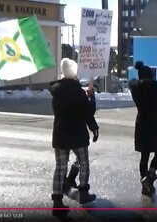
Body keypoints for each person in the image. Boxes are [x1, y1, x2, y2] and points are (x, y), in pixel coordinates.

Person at [49, 58, 99, 217]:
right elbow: (88, 112)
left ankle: (57, 201)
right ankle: (83, 192)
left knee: (60, 167)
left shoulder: (56, 90)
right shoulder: (77, 91)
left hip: (60, 133)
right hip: (77, 133)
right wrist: (91, 97)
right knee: (84, 162)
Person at [129, 61, 157, 196]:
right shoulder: (155, 88)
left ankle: (144, 183)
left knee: (144, 155)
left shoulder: (134, 88)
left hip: (141, 123)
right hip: (154, 124)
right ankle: (150, 176)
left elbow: (133, 82)